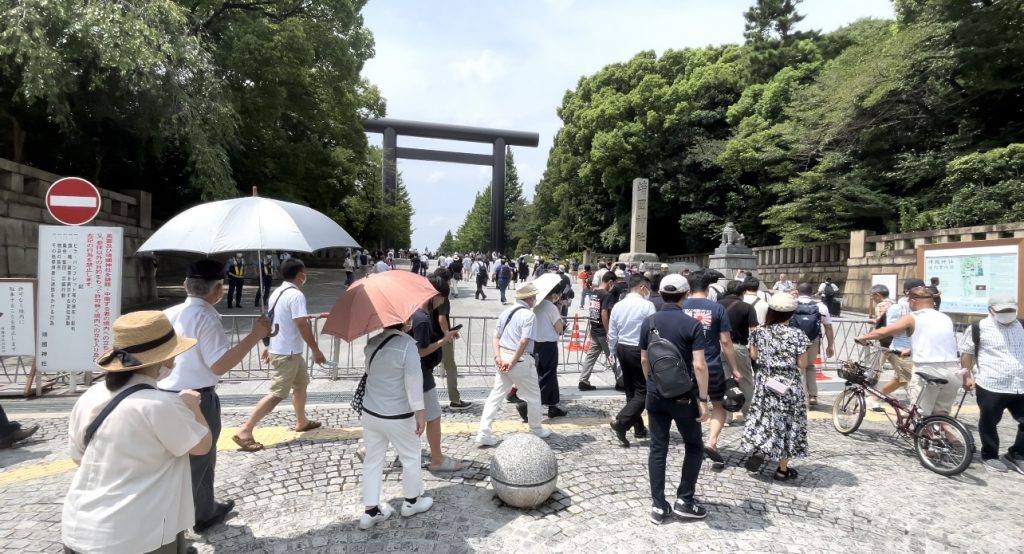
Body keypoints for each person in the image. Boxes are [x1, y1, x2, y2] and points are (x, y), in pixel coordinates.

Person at [62, 311, 212, 554]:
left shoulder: (90, 396)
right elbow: (201, 445)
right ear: (164, 359)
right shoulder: (160, 404)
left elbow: (78, 458)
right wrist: (194, 407)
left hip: (79, 527)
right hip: (138, 535)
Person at [160, 260, 270, 532]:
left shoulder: (167, 313)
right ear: (219, 289)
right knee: (198, 462)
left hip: (164, 395)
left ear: (185, 285)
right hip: (196, 399)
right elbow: (219, 364)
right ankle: (174, 532)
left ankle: (204, 510)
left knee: (190, 460)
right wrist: (255, 335)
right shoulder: (206, 317)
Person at [234, 259, 325, 449]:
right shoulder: (296, 295)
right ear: (300, 275)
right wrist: (316, 350)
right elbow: (301, 323)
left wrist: (270, 345)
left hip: (287, 349)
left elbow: (276, 320)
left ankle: (301, 421)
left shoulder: (277, 292)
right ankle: (245, 429)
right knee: (277, 393)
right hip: (287, 353)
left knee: (301, 385)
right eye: (304, 272)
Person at [641, 274, 710, 523]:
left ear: (660, 293)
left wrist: (653, 383)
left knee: (658, 448)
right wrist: (702, 398)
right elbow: (700, 366)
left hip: (655, 394)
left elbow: (644, 360)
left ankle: (659, 506)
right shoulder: (692, 325)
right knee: (693, 445)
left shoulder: (649, 322)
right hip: (683, 396)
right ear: (686, 294)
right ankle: (685, 500)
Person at [357, 319, 433, 530]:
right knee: (411, 456)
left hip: (371, 411)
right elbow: (413, 381)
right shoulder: (408, 345)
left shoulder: (372, 343)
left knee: (372, 460)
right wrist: (420, 411)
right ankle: (411, 502)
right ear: (406, 323)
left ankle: (370, 512)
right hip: (398, 413)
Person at [855, 287, 961, 417]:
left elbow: (886, 331)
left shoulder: (912, 317)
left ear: (914, 301)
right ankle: (952, 437)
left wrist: (863, 337)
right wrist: (911, 350)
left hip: (928, 369)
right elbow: (937, 341)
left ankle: (926, 432)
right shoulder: (945, 317)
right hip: (953, 370)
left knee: (920, 415)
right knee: (941, 414)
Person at [741, 293, 810, 481]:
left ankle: (761, 446)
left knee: (763, 416)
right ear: (791, 313)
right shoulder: (798, 334)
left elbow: (754, 356)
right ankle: (782, 469)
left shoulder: (759, 332)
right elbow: (802, 363)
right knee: (788, 422)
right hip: (788, 384)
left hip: (765, 381)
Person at [476, 283, 552, 446]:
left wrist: (498, 358)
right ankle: (536, 428)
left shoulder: (506, 312)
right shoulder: (528, 315)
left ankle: (484, 432)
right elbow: (524, 340)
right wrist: (513, 360)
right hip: (520, 358)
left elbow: (495, 337)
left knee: (495, 396)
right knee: (533, 395)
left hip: (502, 356)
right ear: (530, 298)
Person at [960, 295, 1024, 474]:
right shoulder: (978, 328)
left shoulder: (1022, 325)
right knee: (989, 421)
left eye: (1011, 311)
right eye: (1002, 311)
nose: (1007, 314)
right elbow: (967, 352)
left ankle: (1017, 454)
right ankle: (990, 455)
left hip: (1020, 383)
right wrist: (967, 376)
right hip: (991, 383)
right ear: (991, 310)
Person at [683, 272, 742, 464]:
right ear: (708, 289)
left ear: (688, 289)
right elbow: (725, 341)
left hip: (686, 366)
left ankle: (694, 443)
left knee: (691, 406)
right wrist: (734, 367)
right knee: (718, 404)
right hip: (712, 364)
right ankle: (712, 441)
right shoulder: (717, 308)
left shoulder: (681, 306)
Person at [408, 275, 466, 471]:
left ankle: (369, 449)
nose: (443, 302)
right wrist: (444, 340)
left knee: (402, 416)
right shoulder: (422, 319)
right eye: (443, 298)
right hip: (422, 375)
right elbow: (421, 351)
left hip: (411, 374)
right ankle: (437, 459)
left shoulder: (414, 312)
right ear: (435, 295)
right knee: (433, 416)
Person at [608, 274, 656, 446]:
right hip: (639, 349)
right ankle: (622, 422)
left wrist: (613, 351)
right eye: (648, 288)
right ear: (642, 287)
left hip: (622, 347)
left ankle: (638, 427)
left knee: (630, 390)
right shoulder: (647, 305)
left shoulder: (618, 306)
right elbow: (653, 330)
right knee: (644, 390)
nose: (649, 292)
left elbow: (612, 332)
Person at [865, 284, 911, 411]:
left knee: (877, 370)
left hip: (887, 344)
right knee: (902, 374)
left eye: (872, 296)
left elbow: (884, 326)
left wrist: (869, 335)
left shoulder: (881, 305)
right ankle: (874, 397)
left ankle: (872, 396)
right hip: (900, 343)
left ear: (878, 295)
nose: (872, 298)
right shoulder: (896, 303)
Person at [719, 279, 759, 424]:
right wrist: (755, 350)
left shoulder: (717, 305)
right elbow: (754, 331)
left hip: (719, 346)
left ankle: (725, 416)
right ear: (743, 292)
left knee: (725, 380)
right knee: (746, 380)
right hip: (739, 347)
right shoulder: (747, 307)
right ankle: (749, 414)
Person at [432, 269, 471, 411]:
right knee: (451, 368)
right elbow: (442, 318)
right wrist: (447, 334)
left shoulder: (429, 295)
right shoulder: (443, 297)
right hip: (441, 338)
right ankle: (455, 400)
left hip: (430, 336)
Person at [792, 283, 836, 407]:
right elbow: (828, 327)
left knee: (799, 368)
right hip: (813, 340)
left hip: (795, 340)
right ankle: (812, 395)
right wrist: (830, 345)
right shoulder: (821, 306)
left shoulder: (792, 304)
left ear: (798, 292)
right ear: (812, 292)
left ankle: (800, 397)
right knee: (810, 366)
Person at [578, 271, 622, 392]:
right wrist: (609, 331)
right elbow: (604, 312)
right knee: (612, 356)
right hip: (603, 330)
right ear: (610, 282)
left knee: (591, 356)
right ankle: (621, 381)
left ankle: (583, 380)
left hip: (594, 329)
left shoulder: (594, 293)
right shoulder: (606, 295)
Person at [533, 283, 568, 418]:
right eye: (558, 294)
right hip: (548, 344)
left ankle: (553, 405)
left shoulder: (536, 304)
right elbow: (559, 328)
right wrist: (562, 323)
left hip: (535, 343)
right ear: (554, 294)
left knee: (540, 373)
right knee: (549, 374)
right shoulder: (551, 307)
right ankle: (530, 403)